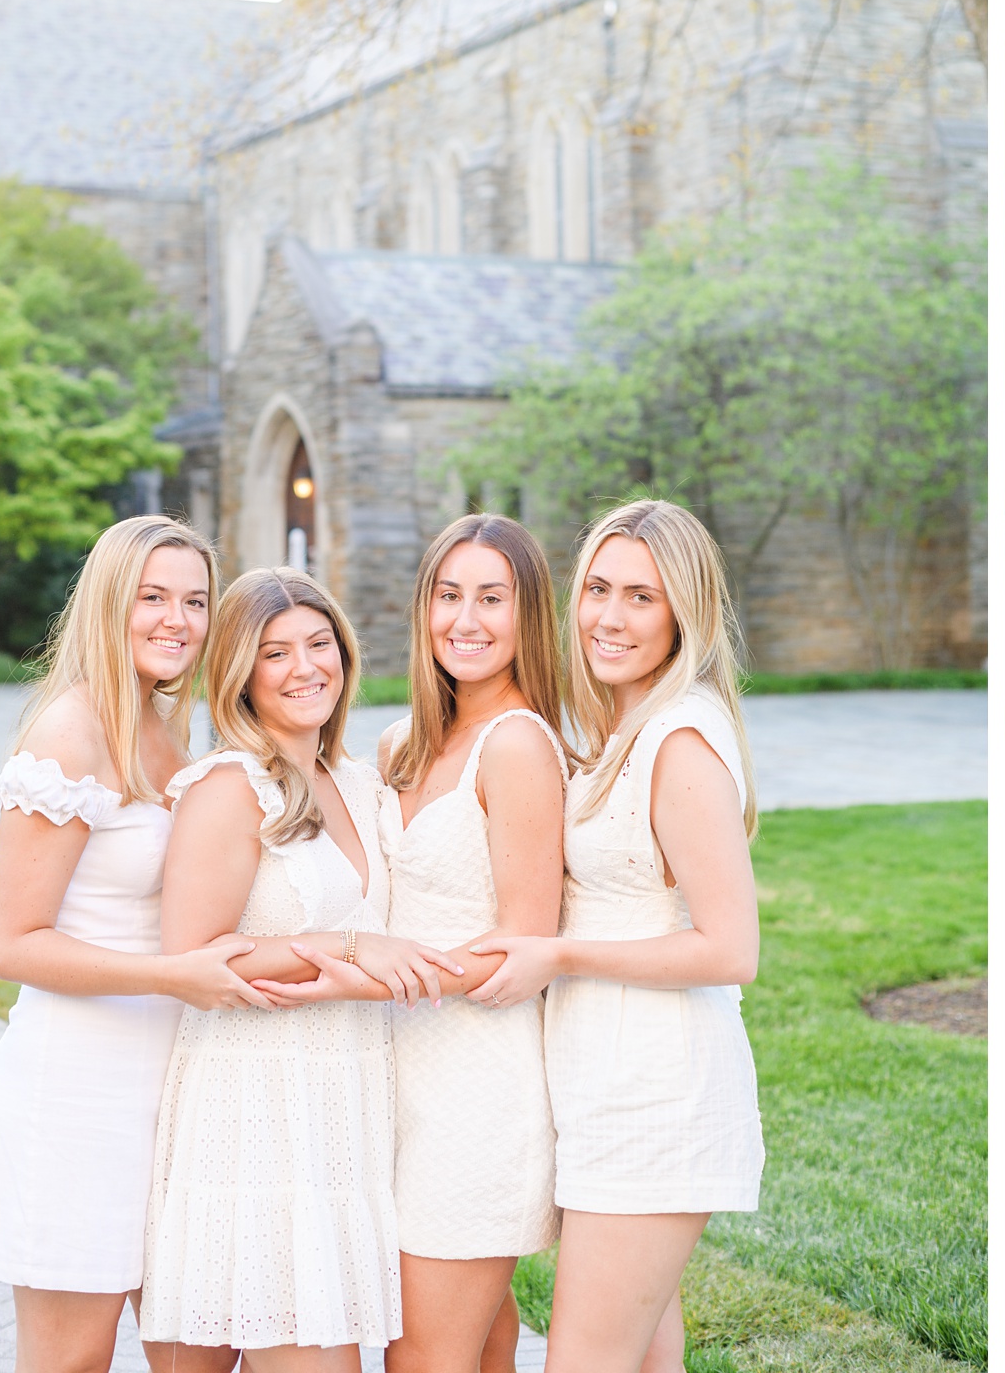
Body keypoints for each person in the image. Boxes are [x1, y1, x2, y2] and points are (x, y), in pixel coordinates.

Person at [471, 498, 765, 1373]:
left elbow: (730, 948)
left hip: (657, 1096)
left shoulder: (679, 740)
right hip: (605, 1084)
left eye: (642, 596)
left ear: (685, 612)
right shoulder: (624, 730)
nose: (608, 615)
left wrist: (558, 954)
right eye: (598, 588)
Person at [140, 567, 457, 1367]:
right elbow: (192, 957)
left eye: (320, 644)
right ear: (240, 673)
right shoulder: (228, 786)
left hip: (342, 1112)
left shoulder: (357, 779)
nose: (305, 666)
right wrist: (353, 947)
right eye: (275, 653)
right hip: (250, 1114)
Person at [0, 515, 246, 1373]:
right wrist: (173, 975)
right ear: (108, 605)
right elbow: (12, 943)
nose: (178, 619)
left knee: (199, 1349)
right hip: (76, 1099)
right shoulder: (71, 733)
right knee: (71, 1360)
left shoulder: (174, 729)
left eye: (195, 600)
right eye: (153, 597)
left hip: (172, 1096)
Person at [373, 516, 571, 1373]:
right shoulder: (400, 743)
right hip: (393, 1076)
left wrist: (360, 979)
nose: (466, 619)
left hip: (477, 1090)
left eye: (493, 598)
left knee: (421, 1354)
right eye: (448, 596)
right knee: (478, 1344)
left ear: (528, 617)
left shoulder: (518, 743)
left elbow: (523, 946)